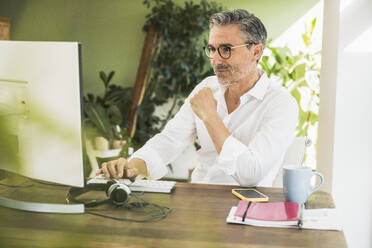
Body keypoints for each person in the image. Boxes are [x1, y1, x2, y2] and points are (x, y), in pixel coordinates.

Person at [96, 9, 298, 187]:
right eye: (212, 49)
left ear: (255, 51)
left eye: (226, 49)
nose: (216, 60)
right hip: (198, 201)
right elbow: (168, 142)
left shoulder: (281, 105)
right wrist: (129, 168)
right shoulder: (207, 87)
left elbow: (250, 175)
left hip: (246, 209)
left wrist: (210, 117)